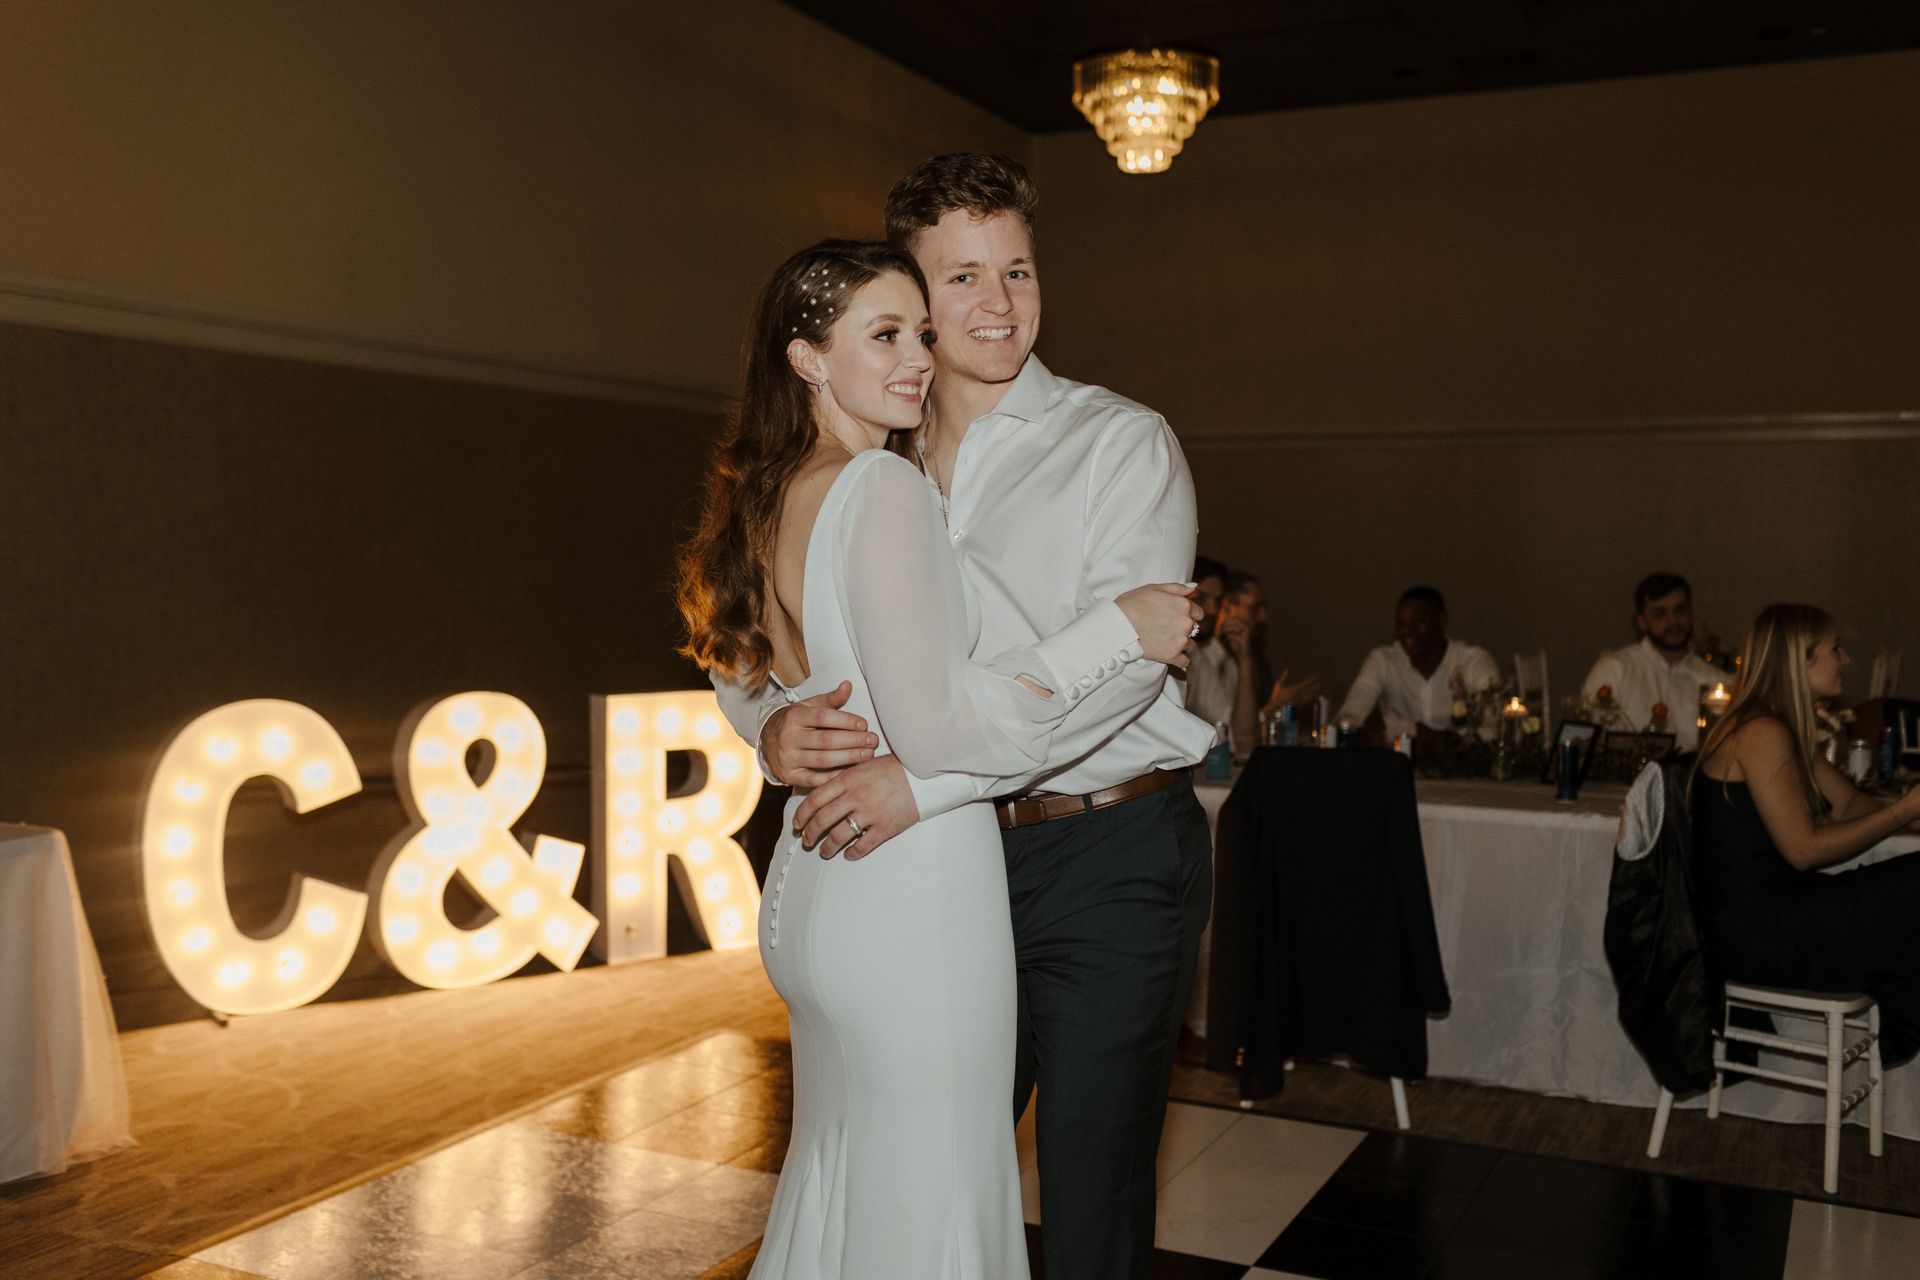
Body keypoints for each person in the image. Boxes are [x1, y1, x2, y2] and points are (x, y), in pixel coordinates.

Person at [714, 154, 1214, 1280]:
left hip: (1108, 848)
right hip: (944, 871)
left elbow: (1128, 676)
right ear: (914, 296)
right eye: (964, 277)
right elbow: (747, 630)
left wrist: (923, 781)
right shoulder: (868, 447)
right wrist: (768, 728)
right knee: (932, 1160)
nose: (999, 303)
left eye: (1020, 271)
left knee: (1088, 1185)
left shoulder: (1120, 440)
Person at [1691, 604, 1920, 1063]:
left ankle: (1904, 1019)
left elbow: (1850, 804)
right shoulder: (1761, 732)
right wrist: (1902, 813)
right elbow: (1803, 850)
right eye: (1836, 648)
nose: (1846, 659)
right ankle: (1903, 1023)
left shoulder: (1782, 726)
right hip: (1756, 934)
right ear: (1801, 660)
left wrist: (1911, 815)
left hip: (1780, 913)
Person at [1583, 571, 1728, 749]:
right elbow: (1587, 743)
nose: (1673, 621)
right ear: (1642, 621)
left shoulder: (1718, 683)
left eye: (1680, 610)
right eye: (1660, 614)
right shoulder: (1614, 670)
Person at [1335, 585, 1498, 744]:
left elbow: (1495, 728)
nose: (1408, 631)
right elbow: (1352, 712)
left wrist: (1432, 736)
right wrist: (1361, 731)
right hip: (1400, 766)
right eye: (1401, 624)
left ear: (1442, 620)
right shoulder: (1383, 660)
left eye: (1419, 622)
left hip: (1461, 765)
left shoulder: (1473, 661)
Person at [1213, 570, 1320, 755]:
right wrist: (1273, 708)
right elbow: (1224, 736)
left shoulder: (1243, 660)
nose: (1263, 618)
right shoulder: (1200, 658)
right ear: (1228, 605)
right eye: (1256, 608)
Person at [1181, 555, 1232, 726]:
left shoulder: (1199, 659)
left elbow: (1226, 724)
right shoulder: (1148, 655)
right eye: (1200, 598)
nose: (1212, 610)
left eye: (1217, 600)